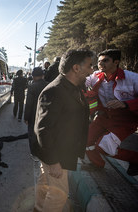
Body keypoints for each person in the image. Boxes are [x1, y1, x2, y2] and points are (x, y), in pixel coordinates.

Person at [34, 49, 93, 211]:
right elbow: (43, 129)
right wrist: (53, 161)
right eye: (89, 66)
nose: (91, 70)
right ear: (76, 68)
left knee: (45, 183)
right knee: (59, 194)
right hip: (56, 154)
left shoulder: (74, 87)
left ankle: (39, 208)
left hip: (61, 151)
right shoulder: (55, 90)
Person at [85, 49, 138, 176]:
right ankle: (97, 164)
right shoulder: (95, 76)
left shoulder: (132, 78)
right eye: (98, 61)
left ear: (116, 62)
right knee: (85, 140)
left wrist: (125, 104)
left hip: (125, 119)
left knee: (104, 146)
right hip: (103, 116)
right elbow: (82, 81)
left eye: (105, 61)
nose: (100, 64)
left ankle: (135, 159)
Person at [24, 67, 48, 158]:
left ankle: (34, 153)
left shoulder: (32, 87)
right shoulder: (49, 85)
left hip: (34, 115)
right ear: (43, 76)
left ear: (33, 77)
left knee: (32, 133)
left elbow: (28, 104)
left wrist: (26, 117)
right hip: (46, 113)